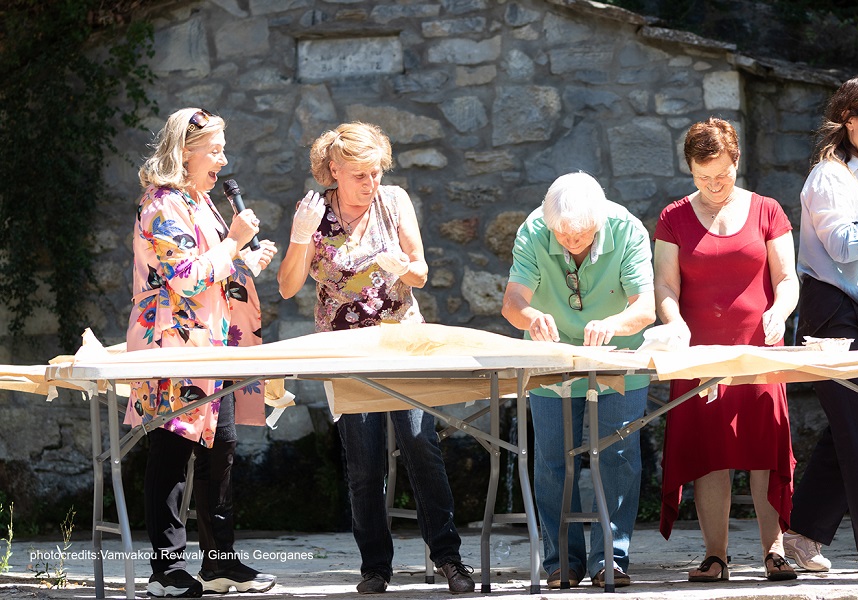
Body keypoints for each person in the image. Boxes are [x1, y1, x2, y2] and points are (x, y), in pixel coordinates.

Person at [276, 122, 475, 595]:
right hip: (345, 352)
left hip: (402, 342)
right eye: (360, 175)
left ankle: (449, 558)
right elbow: (286, 287)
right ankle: (375, 568)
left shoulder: (394, 201)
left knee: (421, 447)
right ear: (334, 170)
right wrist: (300, 237)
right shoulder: (313, 213)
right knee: (364, 464)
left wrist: (407, 267)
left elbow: (421, 273)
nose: (371, 183)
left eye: (376, 172)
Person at [126, 108, 278, 598]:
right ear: (184, 153)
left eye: (222, 149)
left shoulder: (200, 201)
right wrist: (234, 241)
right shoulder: (162, 205)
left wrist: (245, 260)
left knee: (221, 449)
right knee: (172, 452)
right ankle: (166, 570)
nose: (223, 160)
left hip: (213, 345)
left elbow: (212, 272)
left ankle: (219, 564)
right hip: (173, 344)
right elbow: (186, 278)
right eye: (214, 151)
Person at [653, 117, 799, 582]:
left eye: (723, 174)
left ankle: (774, 551)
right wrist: (674, 322)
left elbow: (787, 278)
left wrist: (780, 311)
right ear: (690, 170)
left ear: (737, 161)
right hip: (699, 355)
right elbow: (664, 285)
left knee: (764, 449)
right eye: (703, 177)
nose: (714, 185)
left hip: (758, 349)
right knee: (708, 453)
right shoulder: (673, 217)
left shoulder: (768, 210)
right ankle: (715, 555)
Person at [501, 171, 656, 589]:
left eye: (581, 234)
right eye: (562, 234)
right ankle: (560, 562)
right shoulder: (534, 228)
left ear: (599, 221)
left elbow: (645, 308)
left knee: (619, 457)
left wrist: (612, 324)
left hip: (618, 357)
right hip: (550, 359)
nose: (571, 241)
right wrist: (531, 317)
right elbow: (513, 301)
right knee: (552, 458)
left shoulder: (627, 229)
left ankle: (611, 558)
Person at [785, 76, 858, 573]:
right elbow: (844, 248)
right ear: (849, 119)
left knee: (851, 431)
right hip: (834, 318)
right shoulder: (828, 177)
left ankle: (802, 535)